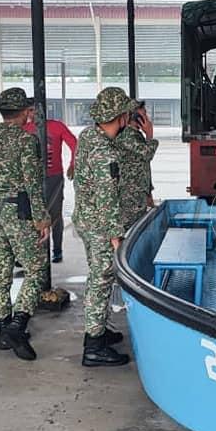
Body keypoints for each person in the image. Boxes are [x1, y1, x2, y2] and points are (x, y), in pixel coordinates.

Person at [0, 87, 50, 362]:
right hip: (18, 212)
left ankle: (3, 331)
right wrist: (42, 218)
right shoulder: (26, 141)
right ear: (23, 113)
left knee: (1, 272)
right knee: (36, 268)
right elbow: (33, 183)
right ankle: (18, 327)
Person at [72, 86, 136, 368]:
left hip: (87, 219)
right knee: (100, 281)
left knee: (102, 279)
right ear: (120, 117)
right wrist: (115, 236)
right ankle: (93, 346)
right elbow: (107, 196)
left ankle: (99, 329)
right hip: (100, 225)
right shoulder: (104, 153)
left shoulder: (88, 135)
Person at [23, 108, 77, 263]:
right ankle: (37, 249)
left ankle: (57, 250)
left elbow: (75, 145)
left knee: (55, 215)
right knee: (33, 214)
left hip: (54, 177)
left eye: (33, 110)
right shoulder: (24, 129)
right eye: (29, 111)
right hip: (32, 178)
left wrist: (73, 164)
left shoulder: (57, 126)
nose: (31, 114)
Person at [115, 99, 159, 230]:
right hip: (130, 195)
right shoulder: (127, 136)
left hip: (139, 193)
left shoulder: (136, 135)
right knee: (129, 231)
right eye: (143, 114)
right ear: (135, 117)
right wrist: (150, 135)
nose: (147, 118)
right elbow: (147, 154)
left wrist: (148, 192)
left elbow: (144, 166)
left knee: (137, 229)